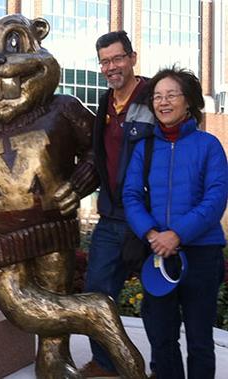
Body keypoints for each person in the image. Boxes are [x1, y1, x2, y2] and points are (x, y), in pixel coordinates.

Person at [123, 66, 227, 379]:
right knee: (161, 338)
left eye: (171, 95)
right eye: (157, 96)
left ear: (188, 101)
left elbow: (215, 199)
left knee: (199, 340)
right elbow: (130, 196)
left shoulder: (208, 146)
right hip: (157, 254)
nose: (163, 102)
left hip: (201, 255)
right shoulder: (145, 148)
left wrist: (177, 234)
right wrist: (153, 233)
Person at [80, 30, 155, 378]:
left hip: (151, 218)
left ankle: (161, 367)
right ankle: (105, 364)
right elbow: (99, 157)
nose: (112, 66)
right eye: (105, 61)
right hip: (111, 216)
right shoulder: (104, 103)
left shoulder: (155, 96)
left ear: (132, 58)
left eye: (118, 58)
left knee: (158, 300)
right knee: (97, 291)